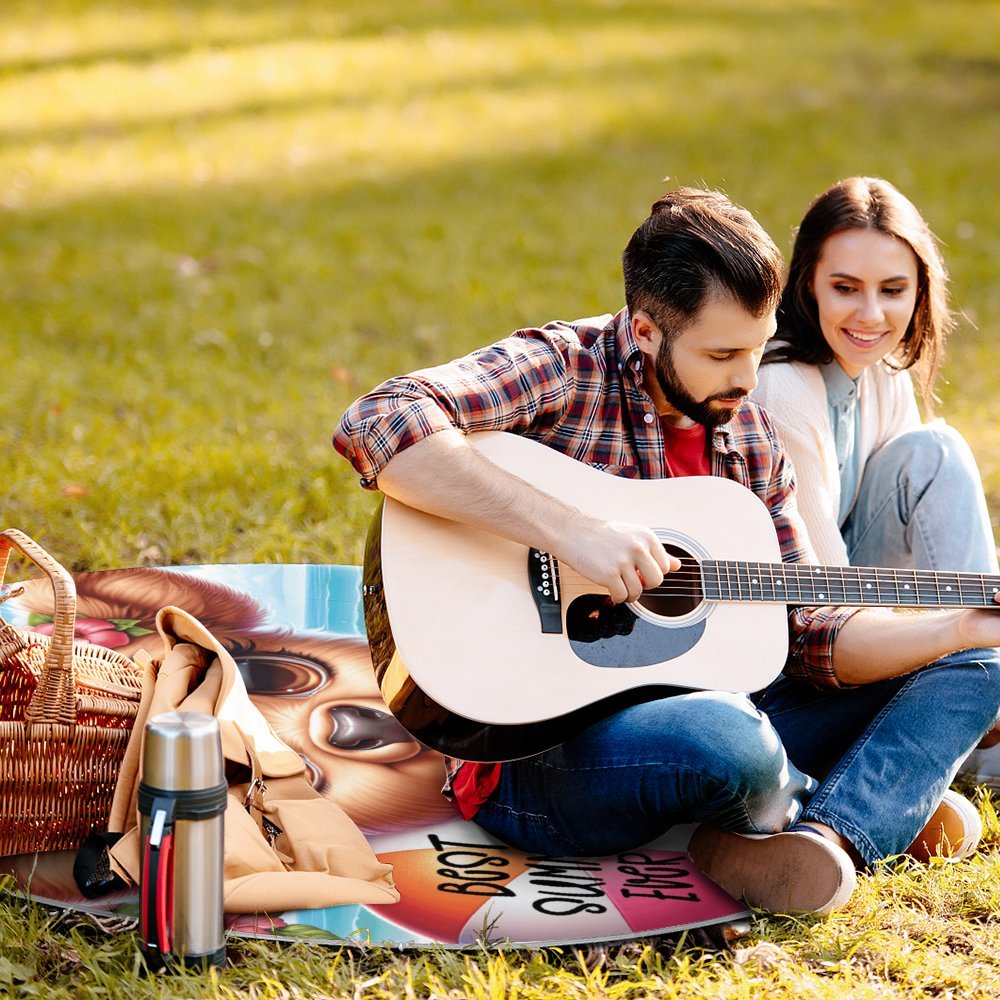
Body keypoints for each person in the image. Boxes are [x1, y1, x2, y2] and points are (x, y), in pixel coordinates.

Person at [333, 188, 1000, 916]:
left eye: (757, 346)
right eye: (722, 354)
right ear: (646, 331)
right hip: (537, 756)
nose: (748, 380)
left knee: (980, 664)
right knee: (728, 741)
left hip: (727, 710)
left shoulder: (747, 436)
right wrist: (568, 530)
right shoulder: (564, 367)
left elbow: (810, 629)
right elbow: (380, 419)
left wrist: (956, 628)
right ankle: (859, 796)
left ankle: (831, 836)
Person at [753, 176, 1000, 788]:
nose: (871, 315)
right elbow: (824, 602)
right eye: (845, 288)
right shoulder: (783, 386)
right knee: (937, 451)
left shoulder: (882, 370)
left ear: (920, 291)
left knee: (931, 451)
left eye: (893, 290)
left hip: (860, 614)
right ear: (807, 281)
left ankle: (978, 694)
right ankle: (978, 726)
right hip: (795, 648)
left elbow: (919, 545)